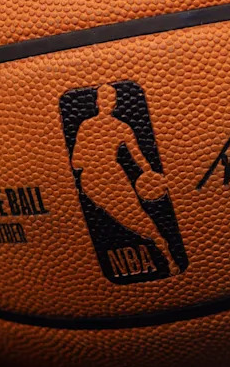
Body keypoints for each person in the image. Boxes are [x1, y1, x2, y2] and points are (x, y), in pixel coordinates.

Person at [71, 84, 178, 275]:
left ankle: (166, 254)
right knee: (134, 217)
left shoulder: (103, 126)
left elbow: (137, 156)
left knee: (134, 218)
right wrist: (149, 172)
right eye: (106, 98)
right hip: (104, 177)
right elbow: (77, 161)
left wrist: (150, 174)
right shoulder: (110, 127)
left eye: (111, 99)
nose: (108, 103)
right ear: (99, 101)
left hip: (105, 177)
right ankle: (166, 253)